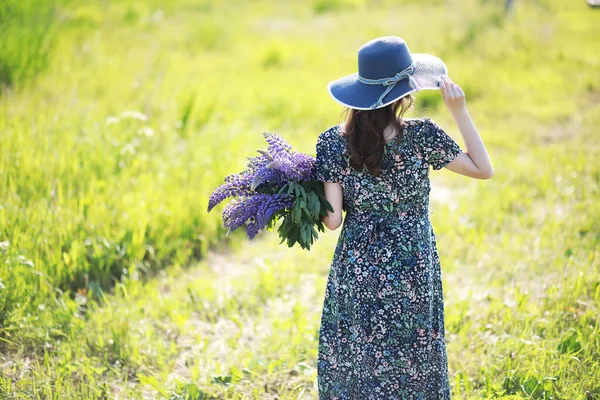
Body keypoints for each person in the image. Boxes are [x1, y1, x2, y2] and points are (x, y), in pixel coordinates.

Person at [314, 36, 493, 399]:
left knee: (359, 352)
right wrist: (459, 111)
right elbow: (483, 169)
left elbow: (331, 221)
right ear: (404, 94)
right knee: (414, 351)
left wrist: (305, 188)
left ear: (361, 92)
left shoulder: (332, 143)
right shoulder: (422, 136)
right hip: (413, 262)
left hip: (358, 263)